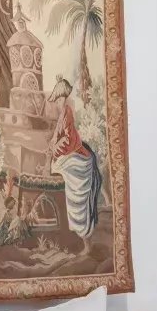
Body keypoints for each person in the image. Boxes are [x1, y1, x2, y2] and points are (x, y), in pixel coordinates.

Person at [50, 77, 102, 239]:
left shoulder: (67, 112)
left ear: (63, 99)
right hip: (67, 151)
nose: (57, 103)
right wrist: (53, 145)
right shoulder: (62, 114)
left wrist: (56, 150)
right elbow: (57, 137)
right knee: (55, 165)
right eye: (56, 101)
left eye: (59, 100)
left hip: (74, 153)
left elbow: (69, 140)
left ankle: (79, 227)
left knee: (60, 168)